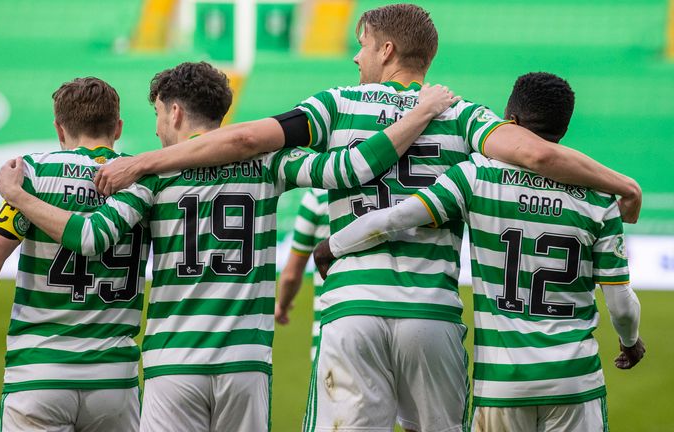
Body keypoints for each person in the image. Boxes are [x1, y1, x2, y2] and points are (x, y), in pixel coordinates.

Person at [88, 6, 640, 430]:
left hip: (353, 307)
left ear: (388, 49)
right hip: (432, 314)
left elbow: (245, 139)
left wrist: (146, 161)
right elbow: (538, 155)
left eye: (363, 46)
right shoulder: (461, 113)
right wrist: (622, 183)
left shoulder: (337, 103)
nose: (356, 58)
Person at [0, 62, 459, 432]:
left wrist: (16, 195)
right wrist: (418, 114)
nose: (157, 129)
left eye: (158, 114)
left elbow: (89, 237)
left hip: (173, 360)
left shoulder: (148, 172)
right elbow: (349, 169)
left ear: (174, 112)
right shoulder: (270, 160)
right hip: (245, 362)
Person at [314, 72, 645, 432]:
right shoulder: (600, 199)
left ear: (510, 121)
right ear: (563, 129)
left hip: (502, 384)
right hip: (575, 380)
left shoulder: (476, 175)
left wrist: (333, 245)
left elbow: (398, 217)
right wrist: (630, 342)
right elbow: (621, 302)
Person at [0, 77, 150, 431]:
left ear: (60, 129)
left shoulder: (33, 175)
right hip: (114, 378)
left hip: (38, 374)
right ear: (117, 128)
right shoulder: (141, 179)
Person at [276, 189, 329, 360]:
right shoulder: (410, 191)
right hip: (408, 313)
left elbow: (291, 274)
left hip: (332, 326)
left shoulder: (318, 195)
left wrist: (282, 305)